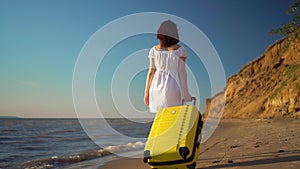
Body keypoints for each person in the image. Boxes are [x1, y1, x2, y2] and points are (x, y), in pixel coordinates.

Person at [144, 20, 192, 113]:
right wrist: (185, 92)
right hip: (174, 85)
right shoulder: (180, 50)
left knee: (161, 117)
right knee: (173, 116)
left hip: (156, 86)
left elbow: (151, 72)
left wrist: (146, 93)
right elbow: (182, 72)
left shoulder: (153, 50)